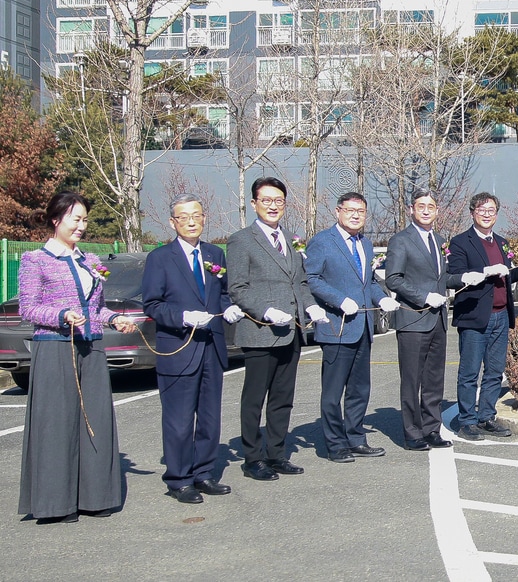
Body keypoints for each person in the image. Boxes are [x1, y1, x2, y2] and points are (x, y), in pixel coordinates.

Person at [17, 191, 138, 523]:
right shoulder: (35, 260)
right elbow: (28, 308)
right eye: (75, 218)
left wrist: (114, 319)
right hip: (55, 347)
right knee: (57, 424)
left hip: (91, 348)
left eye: (85, 219)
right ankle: (56, 505)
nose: (81, 226)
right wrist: (62, 315)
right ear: (56, 220)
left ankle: (95, 497)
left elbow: (95, 308)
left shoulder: (89, 261)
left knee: (94, 420)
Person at [140, 194, 242, 504]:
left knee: (210, 417)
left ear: (204, 217)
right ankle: (179, 479)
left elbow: (221, 294)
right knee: (179, 419)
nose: (191, 221)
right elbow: (152, 304)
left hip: (211, 345)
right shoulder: (160, 258)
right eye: (183, 217)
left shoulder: (214, 254)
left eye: (196, 215)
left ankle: (204, 472)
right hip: (179, 348)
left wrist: (230, 308)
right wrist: (182, 317)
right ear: (173, 222)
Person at [225, 177, 324, 481]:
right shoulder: (242, 240)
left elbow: (300, 282)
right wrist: (266, 311)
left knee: (283, 397)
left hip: (291, 331)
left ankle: (276, 453)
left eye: (278, 200)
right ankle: (253, 457)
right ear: (254, 204)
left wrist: (311, 306)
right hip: (260, 332)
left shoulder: (292, 240)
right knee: (255, 398)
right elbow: (238, 288)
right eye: (266, 200)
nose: (273, 206)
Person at [304, 192, 400, 463]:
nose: (356, 215)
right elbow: (310, 279)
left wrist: (382, 298)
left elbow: (367, 282)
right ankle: (335, 445)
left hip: (363, 327)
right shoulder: (322, 242)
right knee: (333, 393)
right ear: (338, 211)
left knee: (359, 390)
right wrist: (338, 299)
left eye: (361, 211)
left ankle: (356, 438)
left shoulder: (365, 244)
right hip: (337, 327)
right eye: (350, 210)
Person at [445, 192, 518, 441]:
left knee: (495, 371)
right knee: (469, 372)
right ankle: (467, 421)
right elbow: (455, 276)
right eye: (481, 210)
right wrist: (485, 272)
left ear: (496, 215)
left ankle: (486, 416)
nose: (486, 214)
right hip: (475, 316)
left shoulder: (502, 242)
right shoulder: (460, 242)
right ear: (472, 213)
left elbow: (506, 275)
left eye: (491, 210)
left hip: (500, 315)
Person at [383, 188, 453, 450]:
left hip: (438, 320)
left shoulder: (440, 240)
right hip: (413, 319)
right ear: (411, 209)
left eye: (431, 206)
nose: (426, 210)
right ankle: (412, 433)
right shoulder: (401, 240)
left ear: (437, 211)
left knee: (434, 379)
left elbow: (442, 278)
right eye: (421, 205)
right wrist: (424, 296)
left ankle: (431, 428)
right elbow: (394, 278)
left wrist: (472, 276)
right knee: (412, 380)